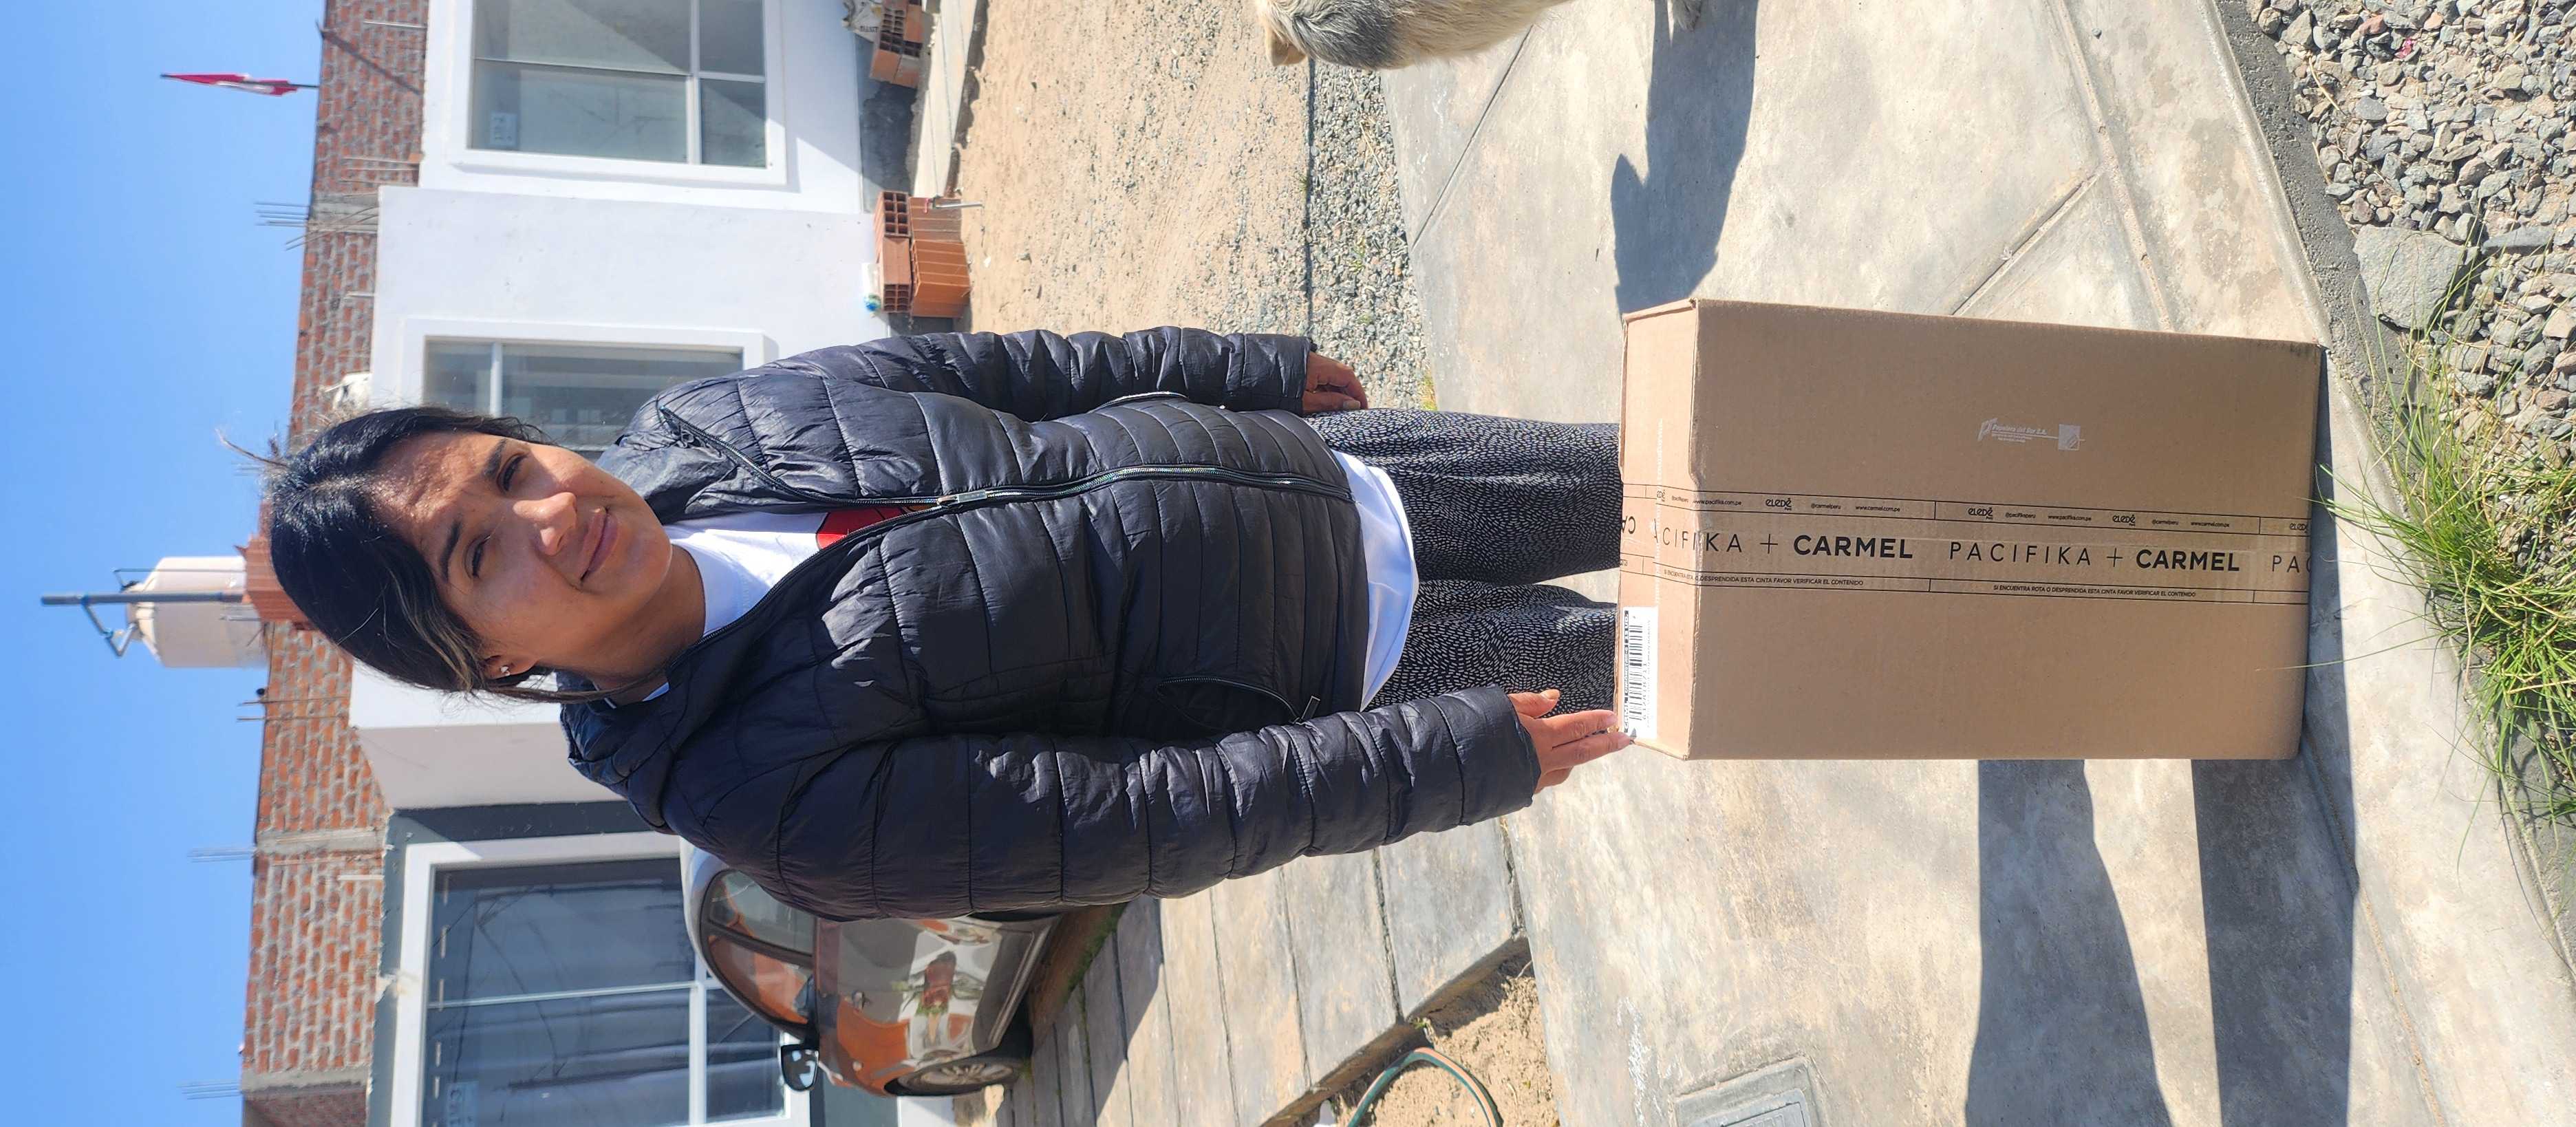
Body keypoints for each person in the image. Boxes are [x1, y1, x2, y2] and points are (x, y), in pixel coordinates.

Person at [262, 328, 1629, 920]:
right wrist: (1441, 761)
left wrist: (1235, 367)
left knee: (1690, 478)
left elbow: (1004, 369)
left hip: (1335, 470)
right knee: (1705, 646)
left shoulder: (703, 422)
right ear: (484, 657)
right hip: (1366, 670)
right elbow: (1142, 819)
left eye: (511, 467)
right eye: (480, 553)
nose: (554, 514)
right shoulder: (758, 795)